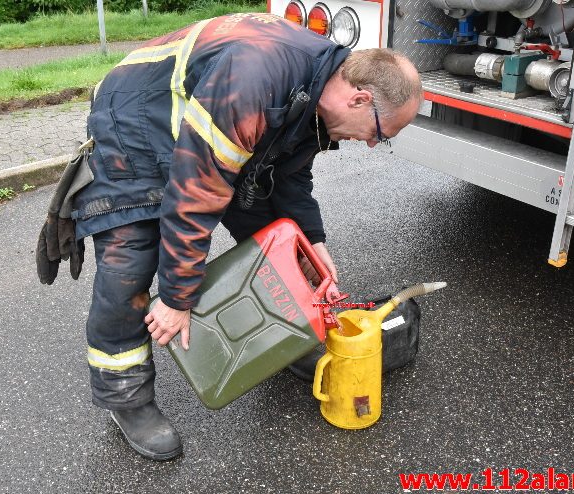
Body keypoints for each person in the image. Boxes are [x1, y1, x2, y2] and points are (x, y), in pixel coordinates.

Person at [36, 12, 422, 461]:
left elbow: (288, 176)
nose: (374, 144)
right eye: (381, 133)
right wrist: (178, 298)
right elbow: (197, 192)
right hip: (137, 126)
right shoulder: (254, 77)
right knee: (131, 264)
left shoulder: (320, 85)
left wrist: (312, 241)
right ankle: (126, 398)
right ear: (358, 99)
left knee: (279, 246)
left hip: (206, 130)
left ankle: (281, 338)